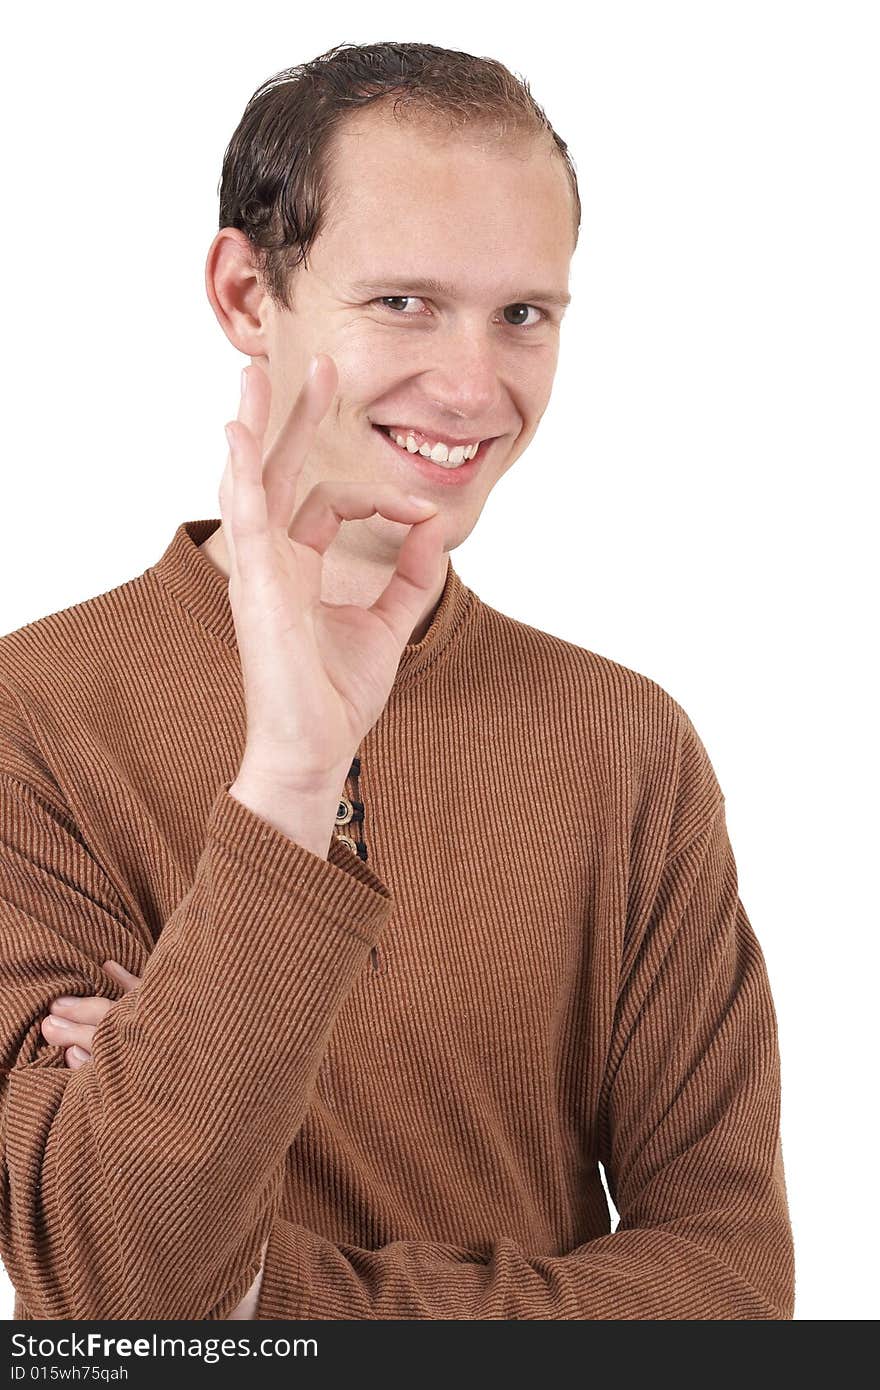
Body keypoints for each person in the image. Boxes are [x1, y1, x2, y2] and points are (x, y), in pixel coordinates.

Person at [0, 40, 795, 1321]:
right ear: (248, 294)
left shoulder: (627, 743)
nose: (476, 387)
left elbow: (736, 1287)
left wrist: (261, 1292)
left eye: (523, 314)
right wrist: (288, 783)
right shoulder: (29, 720)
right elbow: (120, 1286)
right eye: (404, 303)